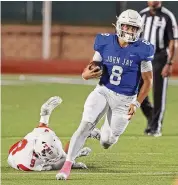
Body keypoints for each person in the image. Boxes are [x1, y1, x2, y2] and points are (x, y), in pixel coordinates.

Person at [56, 9, 154, 180]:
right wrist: (85, 74)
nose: (130, 31)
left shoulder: (143, 49)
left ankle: (99, 134)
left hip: (125, 100)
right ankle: (67, 165)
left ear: (139, 29)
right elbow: (93, 64)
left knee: (107, 142)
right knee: (84, 125)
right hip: (103, 90)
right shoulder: (105, 41)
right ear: (119, 26)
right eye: (127, 27)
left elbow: (148, 81)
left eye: (133, 28)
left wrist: (137, 103)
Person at [7, 96, 97, 171]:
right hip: (16, 158)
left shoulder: (42, 135)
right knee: (60, 157)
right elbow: (54, 166)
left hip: (26, 147)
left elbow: (43, 126)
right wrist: (75, 156)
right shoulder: (27, 163)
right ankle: (81, 138)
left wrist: (45, 113)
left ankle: (81, 137)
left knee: (60, 154)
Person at [139, 1, 178, 136]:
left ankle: (156, 126)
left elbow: (173, 41)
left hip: (159, 56)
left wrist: (169, 63)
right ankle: (151, 117)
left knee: (158, 92)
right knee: (138, 89)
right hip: (143, 57)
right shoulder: (141, 15)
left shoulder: (167, 16)